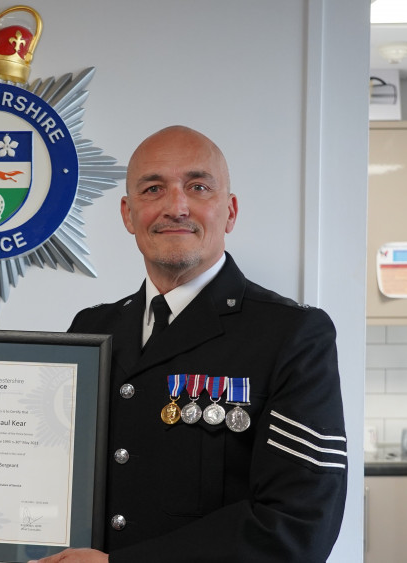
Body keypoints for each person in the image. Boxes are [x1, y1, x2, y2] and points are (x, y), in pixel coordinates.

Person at [36, 126, 347, 563]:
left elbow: (298, 523)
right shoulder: (91, 328)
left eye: (198, 187)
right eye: (153, 188)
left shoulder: (293, 335)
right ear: (128, 214)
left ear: (230, 211)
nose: (176, 206)